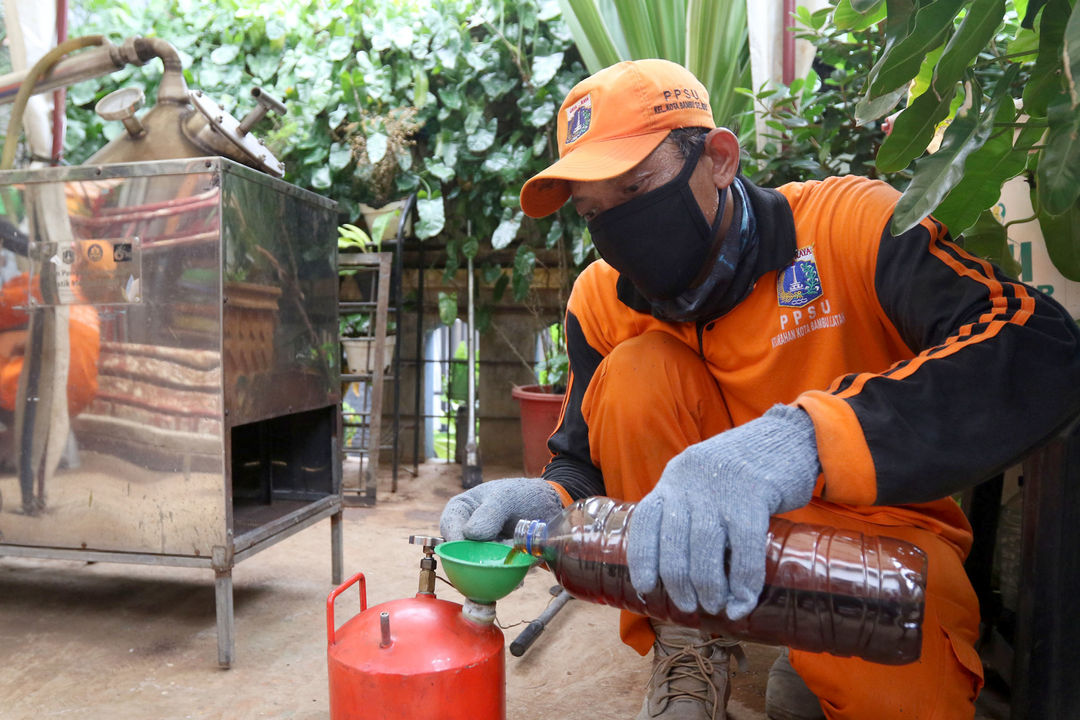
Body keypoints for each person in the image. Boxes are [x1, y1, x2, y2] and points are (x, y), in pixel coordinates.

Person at [439, 59, 1080, 720]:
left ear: (718, 159)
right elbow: (582, 461)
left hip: (867, 540)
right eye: (594, 211)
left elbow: (1039, 344)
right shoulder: (601, 299)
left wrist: (797, 444)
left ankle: (817, 663)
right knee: (634, 373)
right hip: (689, 551)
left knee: (904, 699)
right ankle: (689, 641)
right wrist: (541, 497)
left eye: (636, 188)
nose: (618, 227)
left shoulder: (848, 226)